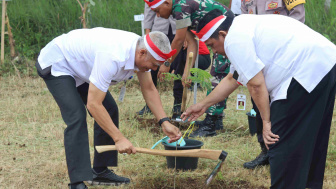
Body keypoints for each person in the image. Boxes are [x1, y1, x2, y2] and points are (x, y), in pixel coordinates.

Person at [182, 9, 336, 188]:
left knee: (280, 142)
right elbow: (233, 78)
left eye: (212, 45)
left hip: (303, 71)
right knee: (310, 136)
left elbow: (255, 84)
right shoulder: (243, 26)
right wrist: (202, 105)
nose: (213, 51)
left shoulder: (234, 40)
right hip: (326, 62)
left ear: (222, 35)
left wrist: (266, 122)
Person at [36, 28, 182, 189]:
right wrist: (119, 138)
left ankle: (100, 171)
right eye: (154, 65)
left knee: (110, 109)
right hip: (59, 62)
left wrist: (164, 122)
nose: (154, 69)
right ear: (141, 53)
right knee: (77, 116)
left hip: (81, 67)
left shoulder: (141, 51)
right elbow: (93, 104)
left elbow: (149, 88)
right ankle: (77, 182)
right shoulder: (113, 56)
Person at [144, 0, 231, 136]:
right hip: (218, 33)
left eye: (157, 11)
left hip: (225, 30)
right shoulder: (178, 11)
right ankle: (216, 121)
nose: (158, 16)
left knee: (218, 76)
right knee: (218, 74)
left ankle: (210, 124)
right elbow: (192, 43)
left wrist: (166, 64)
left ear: (167, 3)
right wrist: (187, 72)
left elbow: (178, 40)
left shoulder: (180, 8)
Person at [241, 0, 305, 169]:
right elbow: (244, 22)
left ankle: (285, 153)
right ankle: (266, 151)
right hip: (257, 55)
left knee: (282, 105)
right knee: (259, 102)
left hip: (282, 55)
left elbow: (298, 18)